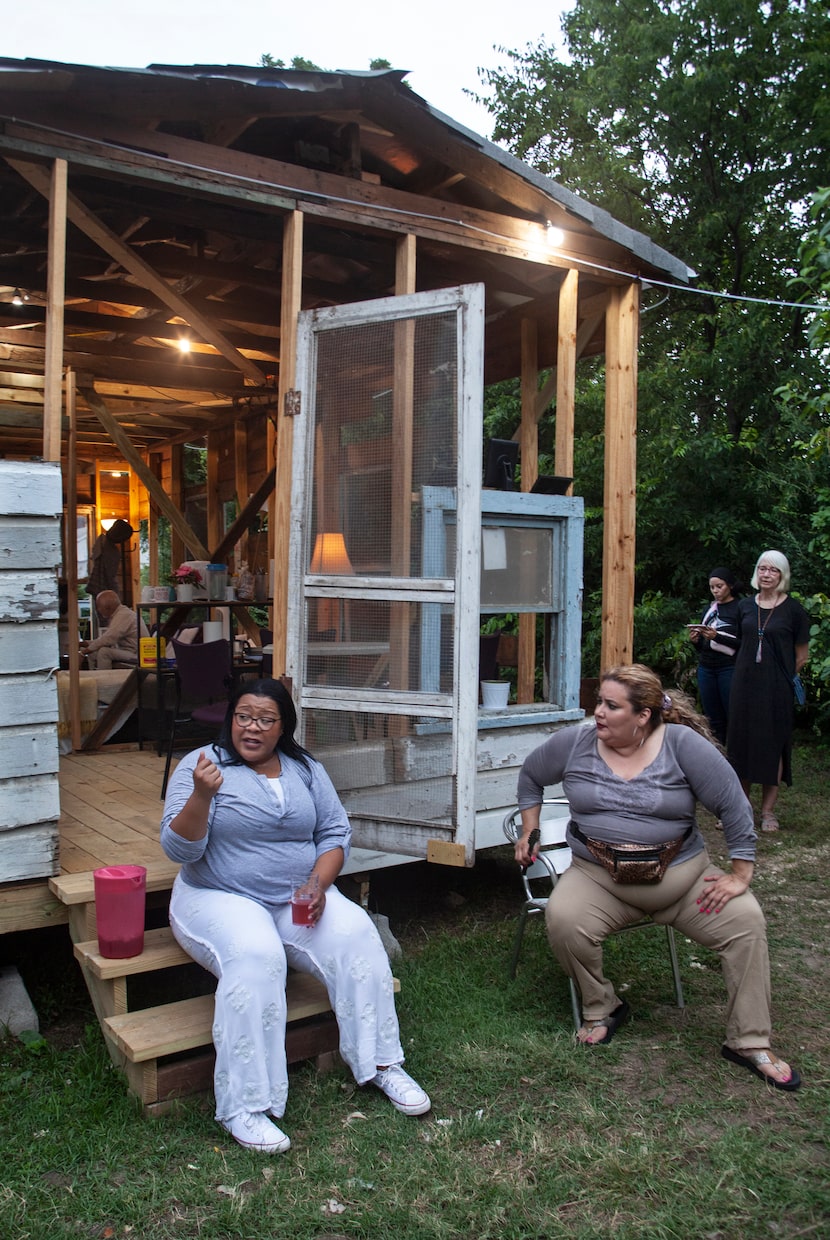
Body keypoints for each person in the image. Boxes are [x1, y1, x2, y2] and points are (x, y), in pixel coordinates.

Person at [160, 677, 431, 1154]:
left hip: (295, 899)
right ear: (230, 718)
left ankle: (382, 1063)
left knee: (355, 934)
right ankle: (244, 1106)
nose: (252, 728)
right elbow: (178, 848)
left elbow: (334, 832)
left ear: (283, 727)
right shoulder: (200, 765)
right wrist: (202, 796)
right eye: (243, 716)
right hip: (217, 896)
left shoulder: (303, 767)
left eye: (266, 720)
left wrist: (318, 885)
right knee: (256, 955)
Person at [514, 663, 801, 1092]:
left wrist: (741, 874)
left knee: (746, 922)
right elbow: (531, 776)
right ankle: (602, 1007)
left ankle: (749, 1040)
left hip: (683, 884)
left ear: (643, 715)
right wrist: (529, 829)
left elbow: (734, 806)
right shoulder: (576, 742)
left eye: (612, 706)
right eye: (599, 703)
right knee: (563, 918)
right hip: (599, 880)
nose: (599, 713)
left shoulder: (682, 746)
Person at [726, 550, 810, 833]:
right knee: (741, 745)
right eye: (762, 569)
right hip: (743, 686)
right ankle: (741, 808)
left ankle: (768, 812)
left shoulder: (794, 610)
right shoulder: (745, 607)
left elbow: (801, 656)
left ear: (782, 575)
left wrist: (780, 680)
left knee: (772, 745)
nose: (766, 574)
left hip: (776, 690)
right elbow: (736, 644)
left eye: (773, 570)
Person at [688, 566, 741, 745]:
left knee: (732, 713)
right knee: (712, 716)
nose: (716, 591)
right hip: (707, 667)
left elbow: (743, 644)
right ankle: (717, 753)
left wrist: (717, 636)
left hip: (729, 667)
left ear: (730, 586)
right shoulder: (710, 609)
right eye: (712, 588)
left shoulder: (740, 608)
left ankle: (736, 755)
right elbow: (705, 647)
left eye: (720, 586)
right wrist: (696, 641)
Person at [81, 590, 148, 669]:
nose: (98, 610)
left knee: (104, 652)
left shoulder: (123, 615)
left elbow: (108, 639)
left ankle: (105, 679)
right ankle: (94, 677)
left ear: (107, 607)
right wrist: (84, 644)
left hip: (138, 654)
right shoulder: (118, 614)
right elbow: (105, 639)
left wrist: (83, 653)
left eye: (98, 607)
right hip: (126, 651)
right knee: (93, 652)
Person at [86, 519, 134, 597]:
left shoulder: (100, 540)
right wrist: (116, 594)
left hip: (97, 586)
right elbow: (110, 577)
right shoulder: (112, 552)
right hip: (105, 589)